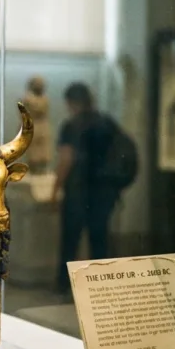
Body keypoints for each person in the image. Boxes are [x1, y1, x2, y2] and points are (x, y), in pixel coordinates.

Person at [52, 83, 125, 282]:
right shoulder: (107, 123)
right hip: (104, 192)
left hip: (78, 192)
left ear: (72, 102)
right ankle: (99, 285)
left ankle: (65, 285)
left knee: (70, 241)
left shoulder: (71, 125)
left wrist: (55, 190)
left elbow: (66, 159)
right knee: (99, 240)